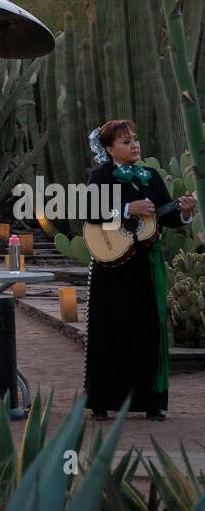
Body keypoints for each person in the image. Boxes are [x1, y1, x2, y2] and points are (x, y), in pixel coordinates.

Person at [84, 119, 196, 421]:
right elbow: (90, 213)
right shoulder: (101, 176)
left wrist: (183, 213)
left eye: (134, 139)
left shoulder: (151, 177)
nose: (134, 144)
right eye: (125, 141)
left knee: (148, 329)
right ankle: (103, 400)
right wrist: (125, 210)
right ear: (110, 149)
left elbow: (164, 217)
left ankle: (152, 401)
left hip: (145, 266)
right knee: (110, 330)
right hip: (111, 269)